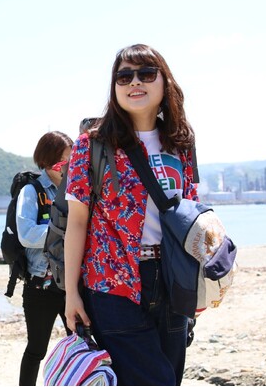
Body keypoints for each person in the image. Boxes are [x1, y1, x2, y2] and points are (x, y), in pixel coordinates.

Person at [64, 44, 198, 386]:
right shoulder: (91, 145)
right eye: (124, 76)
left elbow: (191, 213)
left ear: (165, 82)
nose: (134, 82)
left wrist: (200, 278)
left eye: (146, 74)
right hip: (111, 282)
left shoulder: (180, 143)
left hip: (173, 279)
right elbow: (77, 222)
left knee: (169, 377)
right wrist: (71, 293)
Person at [17, 130, 74, 386]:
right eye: (62, 162)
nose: (67, 167)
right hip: (41, 284)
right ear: (46, 161)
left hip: (72, 284)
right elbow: (27, 234)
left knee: (81, 344)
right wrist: (66, 232)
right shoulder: (32, 191)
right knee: (36, 349)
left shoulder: (75, 189)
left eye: (71, 161)